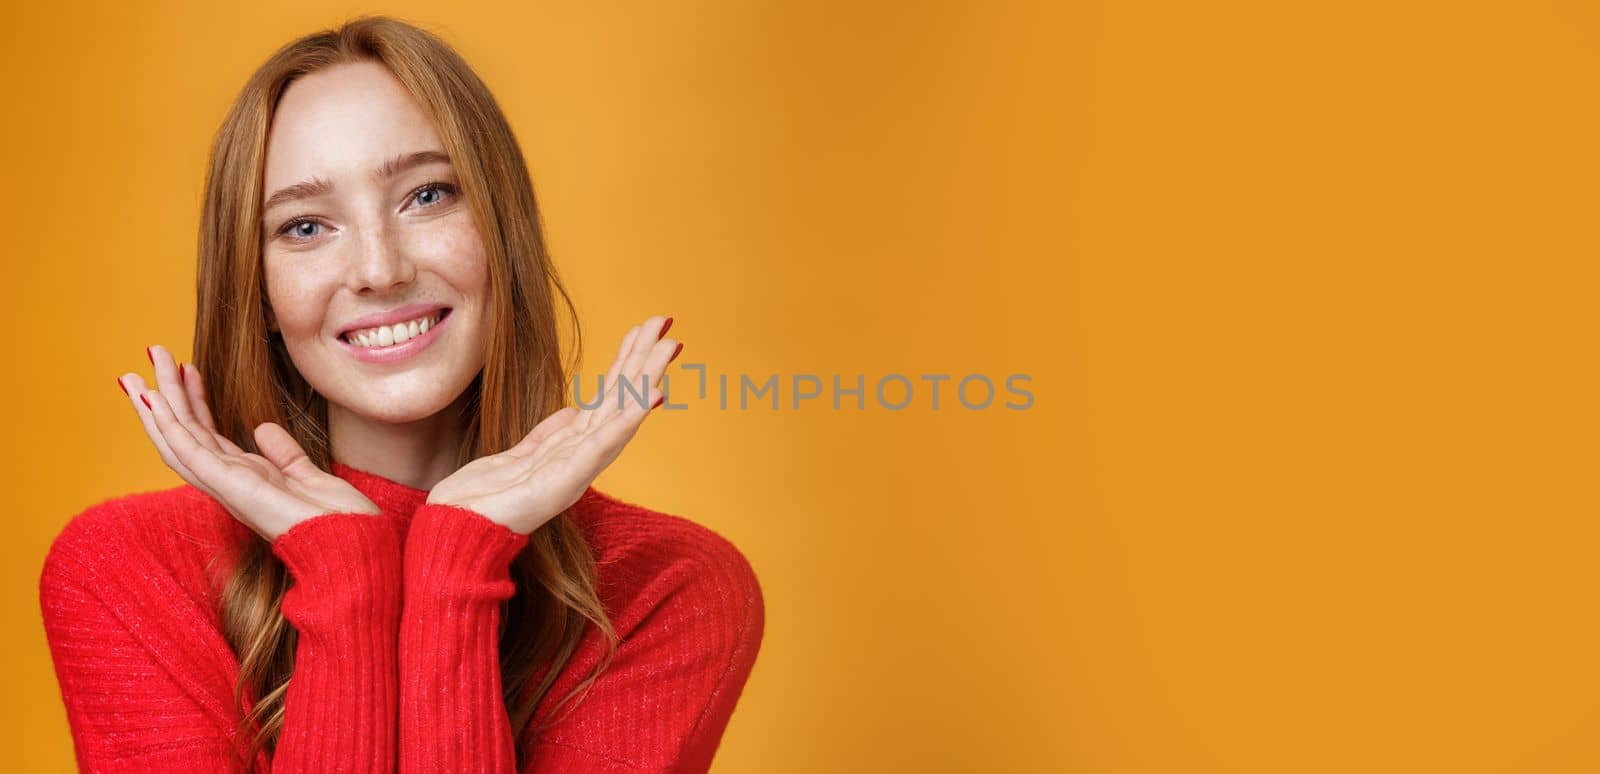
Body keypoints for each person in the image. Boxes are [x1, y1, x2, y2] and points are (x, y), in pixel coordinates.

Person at [39, 16, 763, 773]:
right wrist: (345, 573)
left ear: (502, 232)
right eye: (307, 226)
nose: (379, 271)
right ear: (257, 296)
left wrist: (458, 562)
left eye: (426, 195)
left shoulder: (668, 587)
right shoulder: (128, 571)